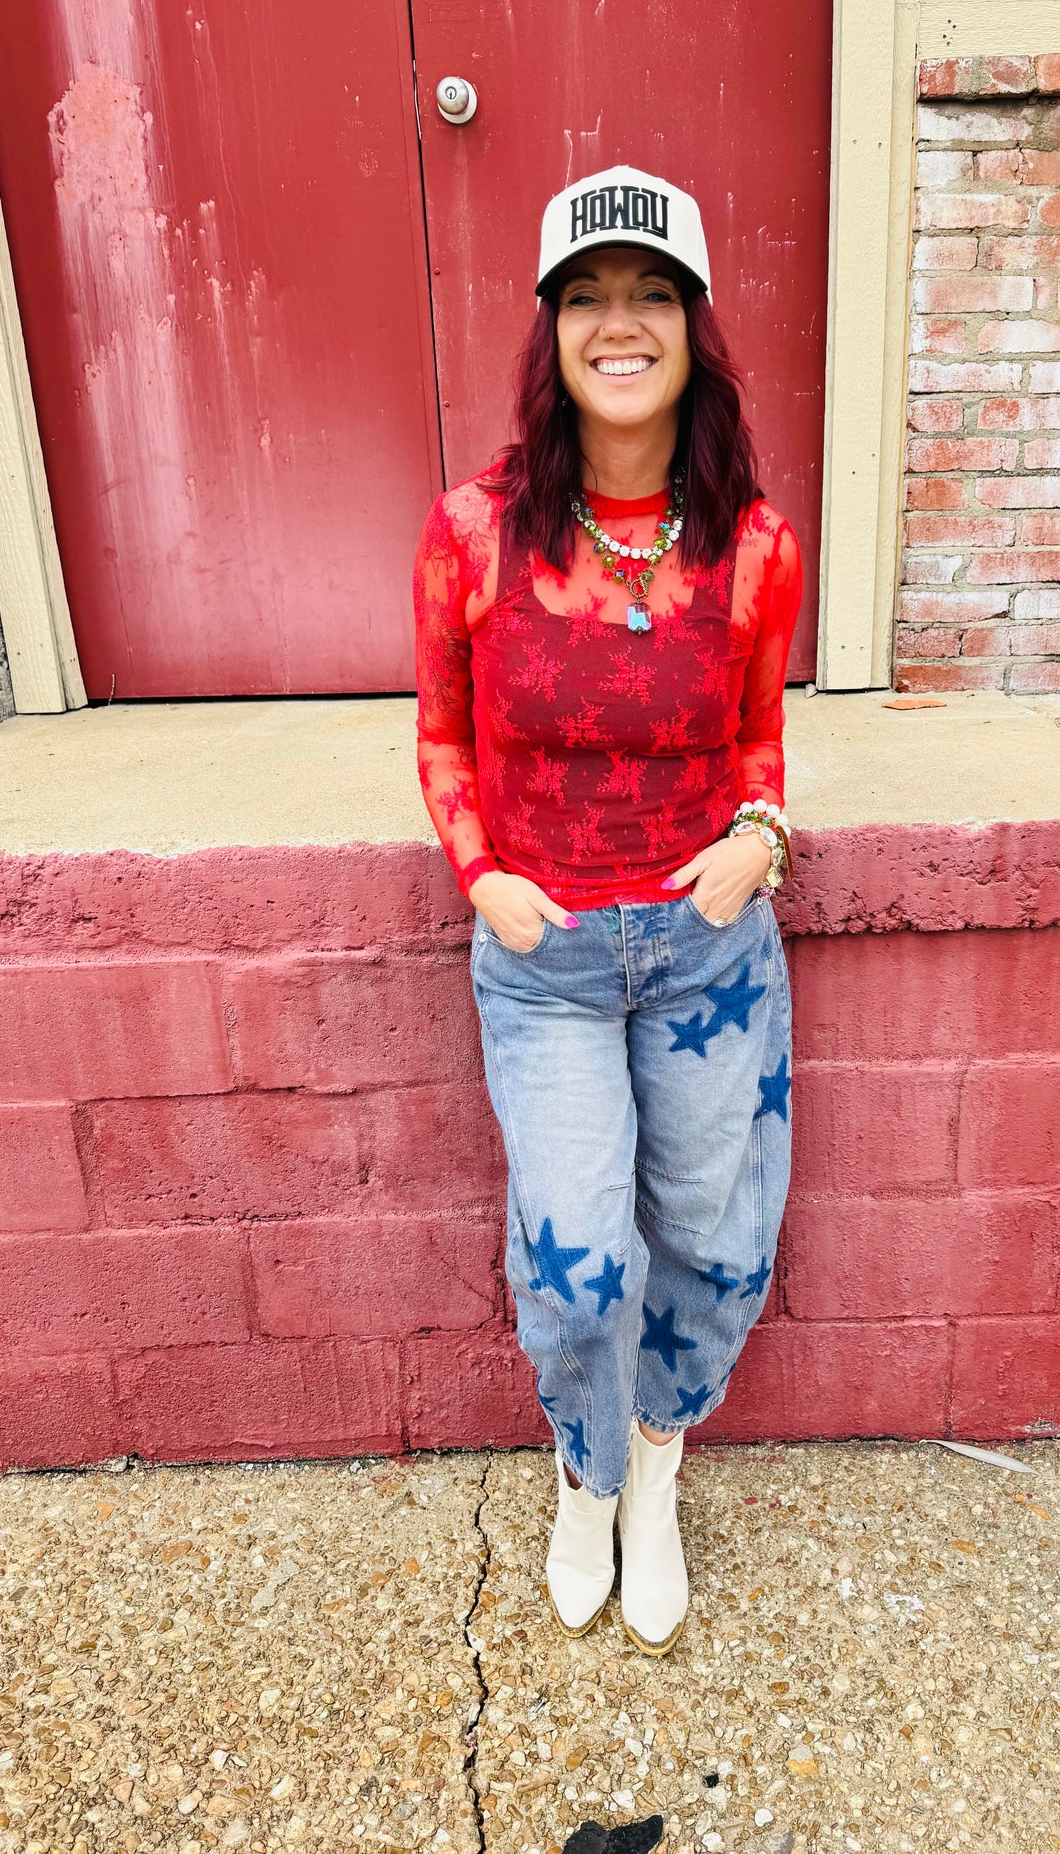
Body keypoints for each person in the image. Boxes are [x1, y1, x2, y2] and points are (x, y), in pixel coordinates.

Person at [413, 165, 801, 1656]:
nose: (619, 322)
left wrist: (760, 838)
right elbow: (443, 735)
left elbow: (761, 737)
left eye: (651, 295)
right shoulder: (473, 532)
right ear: (551, 330)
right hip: (548, 956)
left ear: (693, 328)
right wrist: (482, 878)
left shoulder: (753, 543)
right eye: (589, 296)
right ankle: (583, 1476)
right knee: (575, 1256)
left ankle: (657, 1461)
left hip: (708, 948)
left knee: (716, 1240)